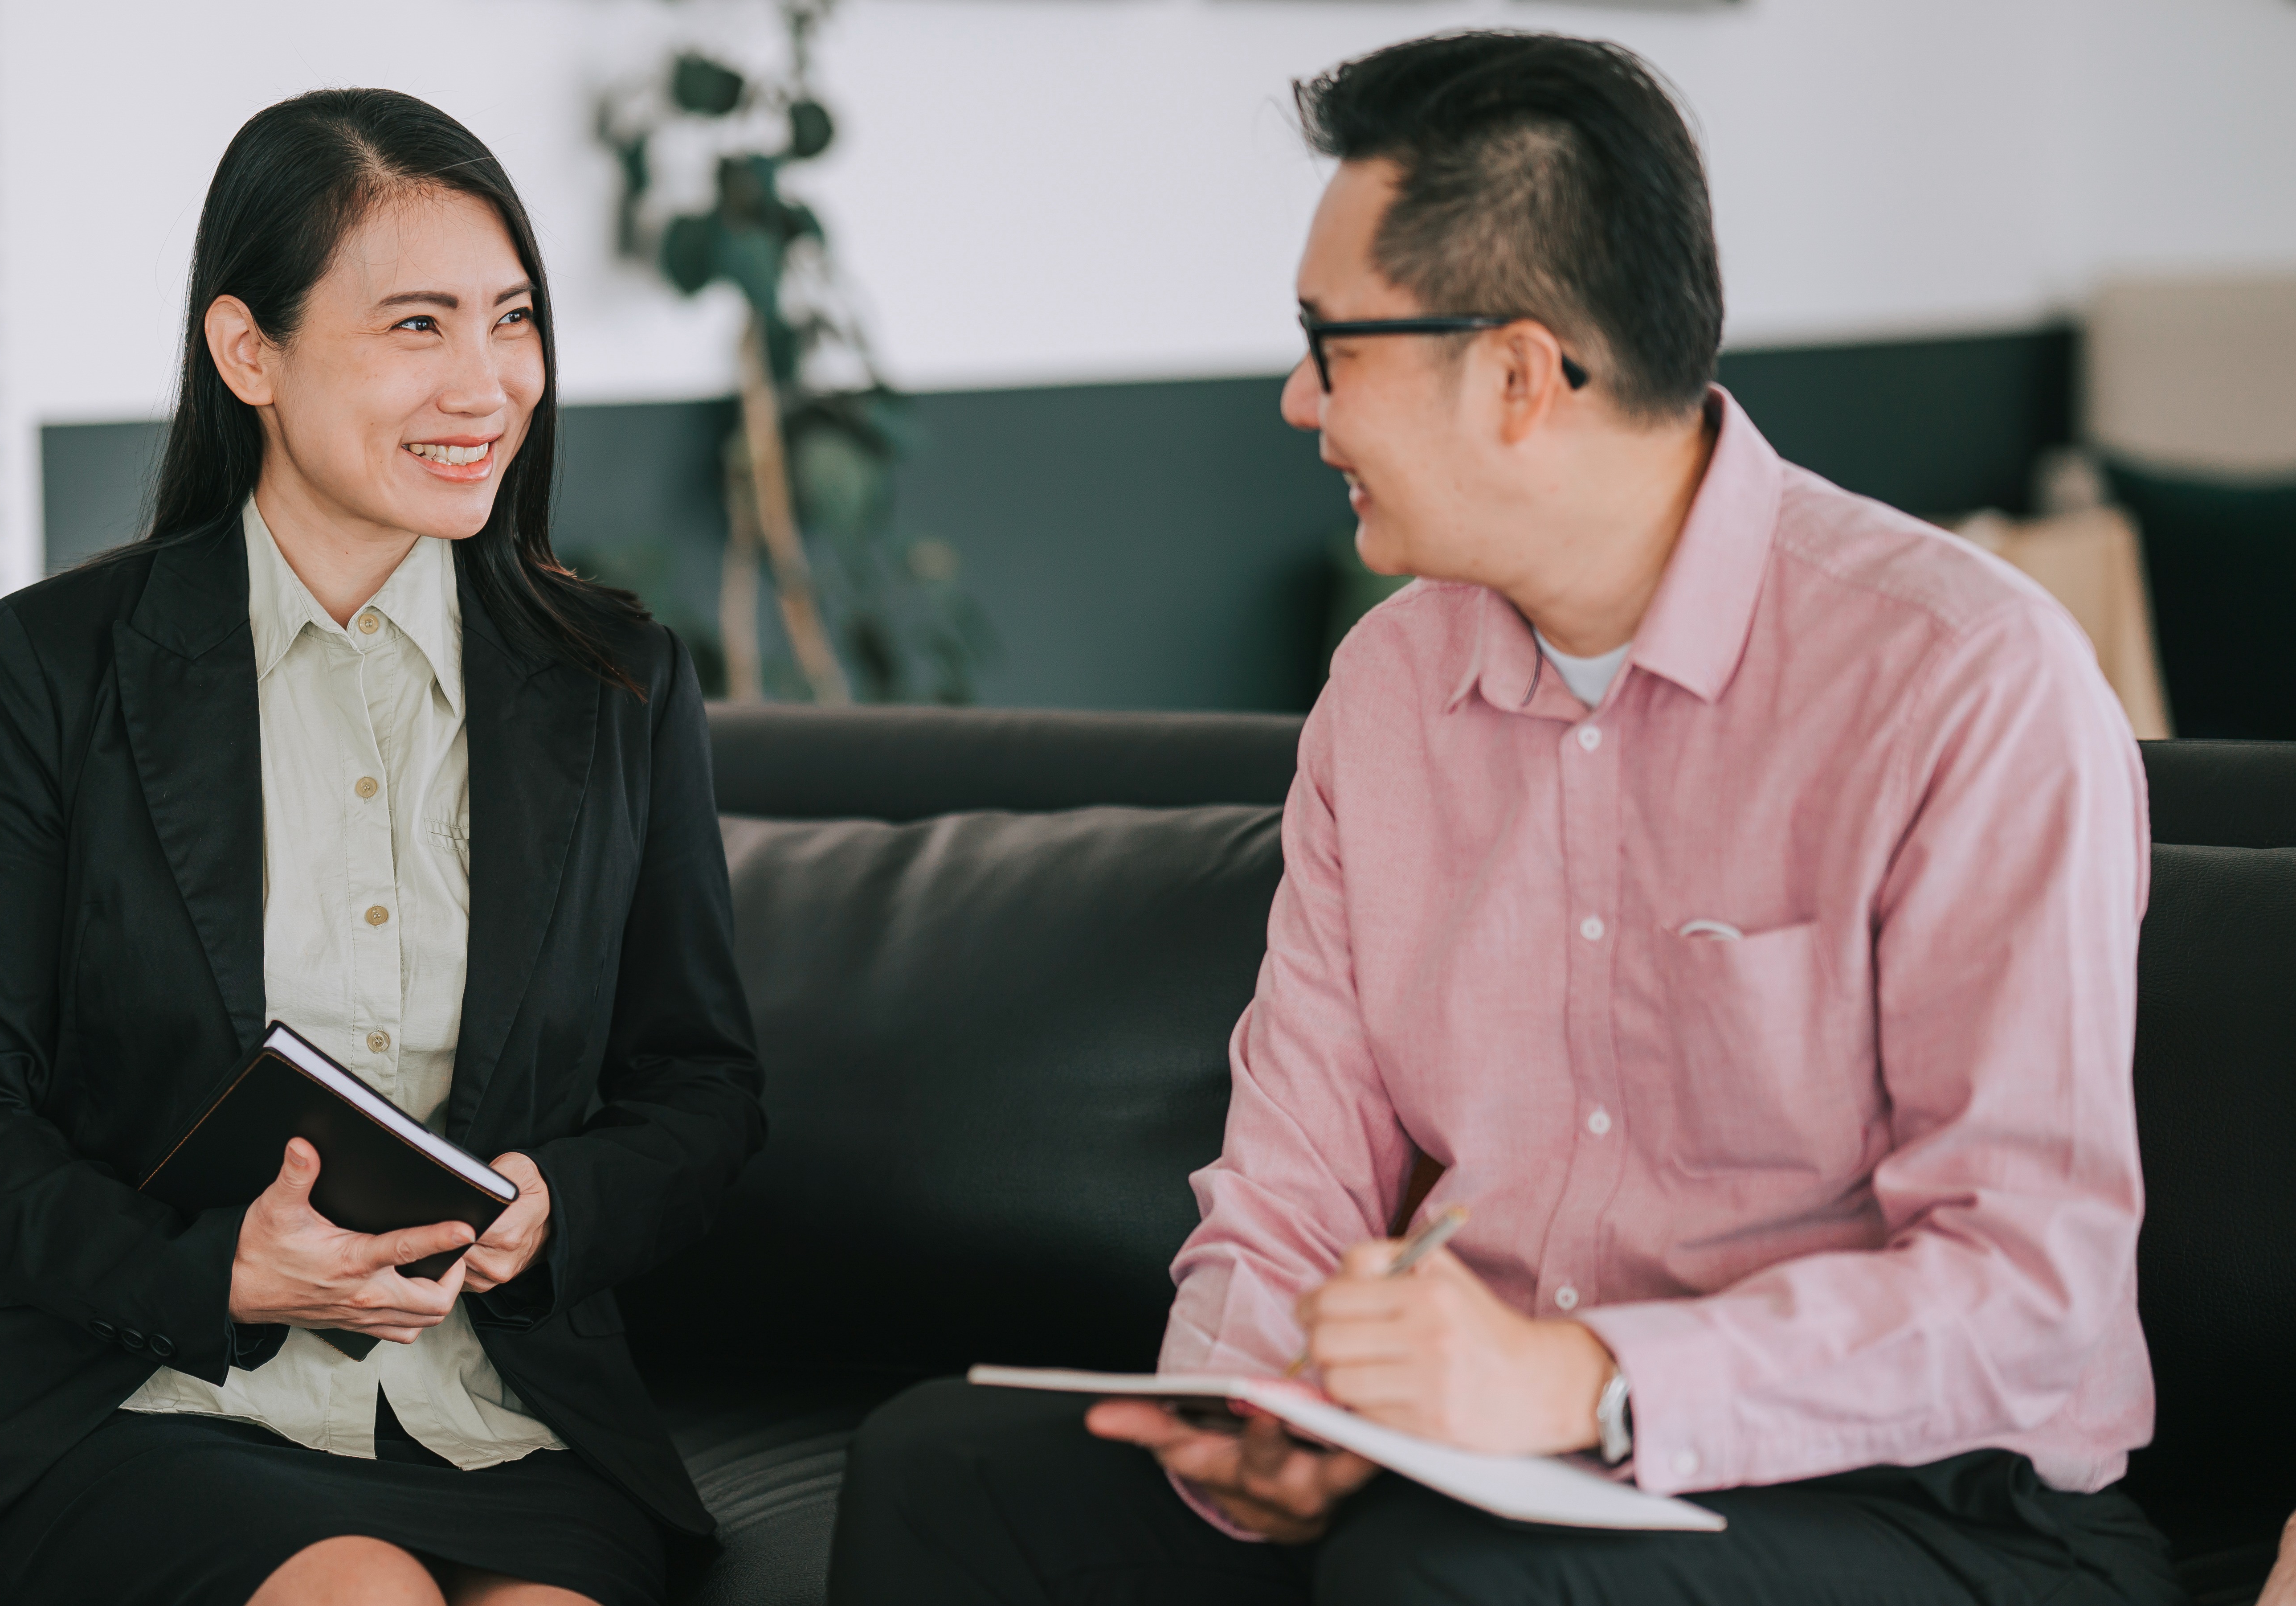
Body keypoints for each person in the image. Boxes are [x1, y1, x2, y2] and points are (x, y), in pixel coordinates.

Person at [830, 31, 2188, 1606]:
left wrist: (1585, 1377)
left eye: (1330, 344)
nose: (1294, 397)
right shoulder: (1388, 692)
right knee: (949, 1472)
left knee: (1444, 1577)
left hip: (1934, 1502)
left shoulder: (1967, 681)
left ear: (1522, 374)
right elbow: (1290, 1190)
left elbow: (2029, 1292)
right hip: (1480, 1471)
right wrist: (1256, 1414)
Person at [0, 88, 764, 1606]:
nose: (486, 385)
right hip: (145, 1400)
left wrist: (557, 1204)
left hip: (500, 1412)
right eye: (418, 326)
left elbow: (702, 1089)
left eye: (512, 320)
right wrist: (208, 1269)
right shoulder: (56, 668)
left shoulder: (618, 680)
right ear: (248, 353)